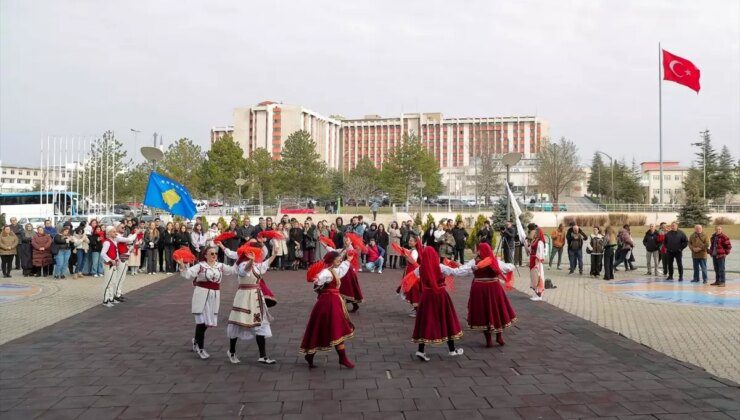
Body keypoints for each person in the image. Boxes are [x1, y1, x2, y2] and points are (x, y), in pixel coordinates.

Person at [178, 243, 237, 360]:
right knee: (201, 322)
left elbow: (232, 270)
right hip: (202, 294)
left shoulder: (219, 266)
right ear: (205, 255)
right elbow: (187, 274)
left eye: (215, 253)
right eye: (211, 253)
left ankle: (196, 340)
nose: (214, 255)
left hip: (214, 295)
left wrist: (239, 258)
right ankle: (201, 348)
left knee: (208, 321)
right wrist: (182, 265)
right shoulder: (200, 266)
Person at [299, 251, 356, 369]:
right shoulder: (326, 272)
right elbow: (317, 281)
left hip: (333, 302)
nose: (340, 260)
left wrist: (348, 260)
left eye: (340, 259)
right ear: (331, 260)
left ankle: (341, 358)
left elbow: (341, 271)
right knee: (326, 328)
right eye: (338, 259)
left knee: (335, 328)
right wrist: (316, 279)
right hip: (327, 304)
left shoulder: (333, 270)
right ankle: (312, 355)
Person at [412, 247, 470, 362]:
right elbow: (456, 272)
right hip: (440, 296)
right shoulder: (440, 267)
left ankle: (421, 350)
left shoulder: (420, 268)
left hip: (427, 296)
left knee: (425, 321)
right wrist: (470, 267)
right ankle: (452, 350)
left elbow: (415, 275)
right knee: (446, 319)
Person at [222, 244, 278, 364]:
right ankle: (231, 351)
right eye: (250, 253)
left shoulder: (257, 265)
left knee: (261, 323)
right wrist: (251, 261)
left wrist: (274, 254)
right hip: (244, 296)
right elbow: (243, 271)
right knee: (238, 322)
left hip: (256, 296)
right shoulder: (242, 265)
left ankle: (262, 355)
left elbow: (265, 264)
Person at [466, 243, 516, 347]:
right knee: (497, 311)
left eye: (477, 249)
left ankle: (489, 340)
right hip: (494, 288)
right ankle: (499, 337)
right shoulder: (494, 261)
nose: (477, 251)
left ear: (480, 250)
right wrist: (511, 266)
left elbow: (462, 270)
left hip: (480, 289)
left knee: (484, 313)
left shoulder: (474, 262)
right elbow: (509, 267)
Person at [528, 224, 546, 301]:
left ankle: (539, 295)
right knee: (534, 277)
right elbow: (530, 249)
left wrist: (537, 262)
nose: (533, 233)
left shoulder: (540, 242)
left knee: (538, 277)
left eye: (535, 232)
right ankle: (536, 293)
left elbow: (540, 253)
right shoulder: (535, 240)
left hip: (537, 262)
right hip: (532, 260)